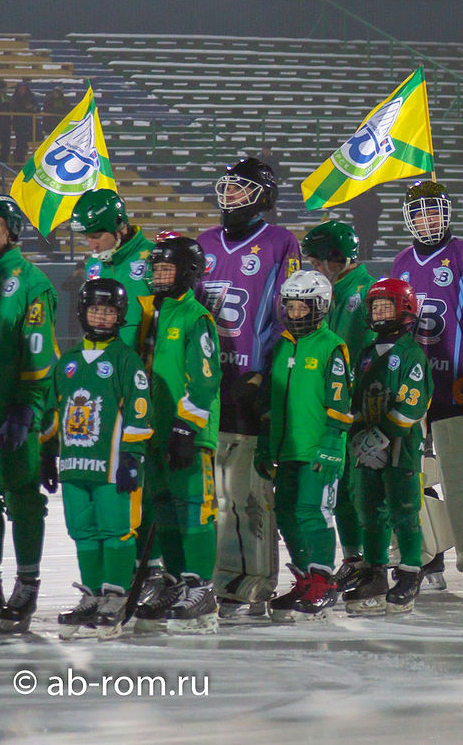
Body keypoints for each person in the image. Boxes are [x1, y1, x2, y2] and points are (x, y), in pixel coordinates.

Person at [390, 179, 463, 592]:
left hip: (457, 382)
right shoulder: (401, 262)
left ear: (447, 213)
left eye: (433, 211)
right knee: (415, 475)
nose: (427, 220)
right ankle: (426, 555)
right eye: (419, 213)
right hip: (414, 386)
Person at [198, 156, 301, 611]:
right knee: (215, 492)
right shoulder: (204, 242)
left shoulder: (280, 242)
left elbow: (291, 313)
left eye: (241, 187)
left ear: (263, 196)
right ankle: (220, 575)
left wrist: (265, 374)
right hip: (207, 380)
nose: (231, 194)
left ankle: (256, 578)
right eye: (229, 185)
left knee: (248, 490)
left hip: (249, 378)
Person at [46, 278, 153, 641]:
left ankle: (116, 595)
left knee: (116, 531)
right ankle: (92, 595)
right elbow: (55, 410)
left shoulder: (126, 359)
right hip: (75, 466)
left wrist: (133, 456)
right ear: (83, 313)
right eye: (95, 310)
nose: (102, 317)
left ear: (120, 316)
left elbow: (140, 410)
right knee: (83, 532)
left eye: (109, 311)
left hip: (112, 468)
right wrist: (47, 452)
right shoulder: (69, 361)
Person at [130, 234, 222, 635]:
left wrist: (187, 426)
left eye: (167, 269)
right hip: (154, 432)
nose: (159, 275)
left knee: (193, 510)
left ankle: (201, 588)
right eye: (157, 268)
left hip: (187, 434)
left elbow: (205, 379)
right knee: (164, 508)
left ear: (187, 273)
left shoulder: (195, 317)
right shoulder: (151, 313)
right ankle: (175, 581)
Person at [0, 194, 57, 632]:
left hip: (12, 410)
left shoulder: (31, 281)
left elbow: (38, 353)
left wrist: (27, 406)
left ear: (11, 233)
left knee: (23, 498)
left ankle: (27, 584)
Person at [255, 270, 353, 623]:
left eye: (303, 307)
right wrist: (265, 445)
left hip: (317, 450)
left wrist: (332, 443)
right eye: (291, 306)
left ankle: (323, 582)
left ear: (321, 308)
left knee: (313, 512)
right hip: (287, 450)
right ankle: (304, 580)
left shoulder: (331, 346)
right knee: (287, 513)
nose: (296, 313)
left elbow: (340, 402)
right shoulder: (281, 345)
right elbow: (272, 401)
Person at [342, 278, 433, 615]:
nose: (379, 314)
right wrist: (358, 435)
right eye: (375, 307)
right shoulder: (366, 354)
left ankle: (410, 572)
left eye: (385, 307)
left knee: (404, 508)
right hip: (367, 448)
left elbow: (412, 404)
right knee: (369, 509)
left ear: (405, 309)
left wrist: (380, 437)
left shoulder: (412, 354)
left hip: (402, 447)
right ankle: (375, 572)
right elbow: (356, 399)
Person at [301, 220, 376, 593]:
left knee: (365, 491)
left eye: (318, 262)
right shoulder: (330, 291)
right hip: (334, 407)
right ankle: (354, 558)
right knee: (343, 487)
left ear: (338, 257)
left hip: (360, 408)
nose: (315, 268)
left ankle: (382, 562)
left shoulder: (366, 292)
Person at [70, 188, 156, 352]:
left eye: (96, 236)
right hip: (104, 361)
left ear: (119, 226)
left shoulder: (155, 258)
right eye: (87, 237)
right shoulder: (93, 266)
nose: (92, 245)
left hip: (146, 361)